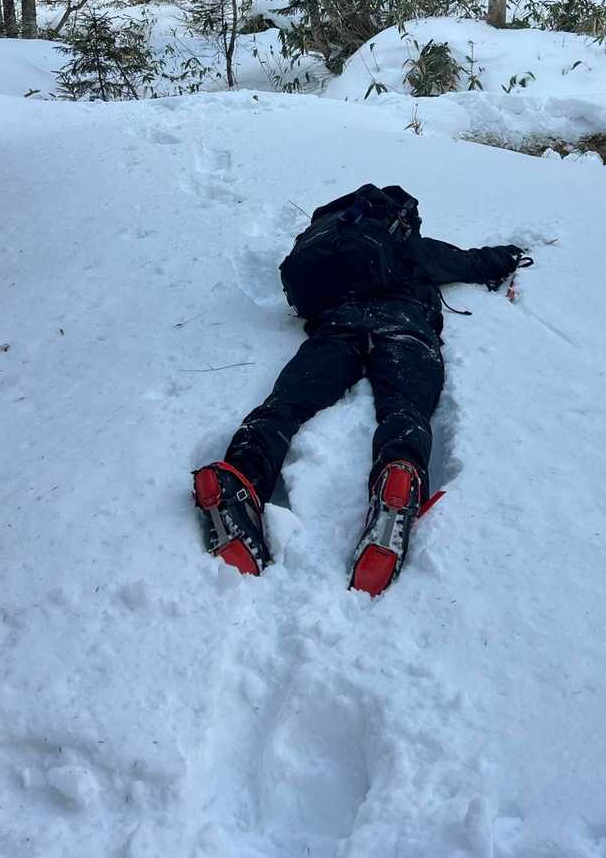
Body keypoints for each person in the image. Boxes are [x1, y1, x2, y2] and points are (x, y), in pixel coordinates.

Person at [193, 184, 529, 596]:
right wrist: (510, 256)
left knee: (285, 405)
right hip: (405, 328)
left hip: (338, 328)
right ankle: (399, 472)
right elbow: (470, 263)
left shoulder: (336, 246)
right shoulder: (412, 247)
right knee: (405, 410)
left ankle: (242, 473)